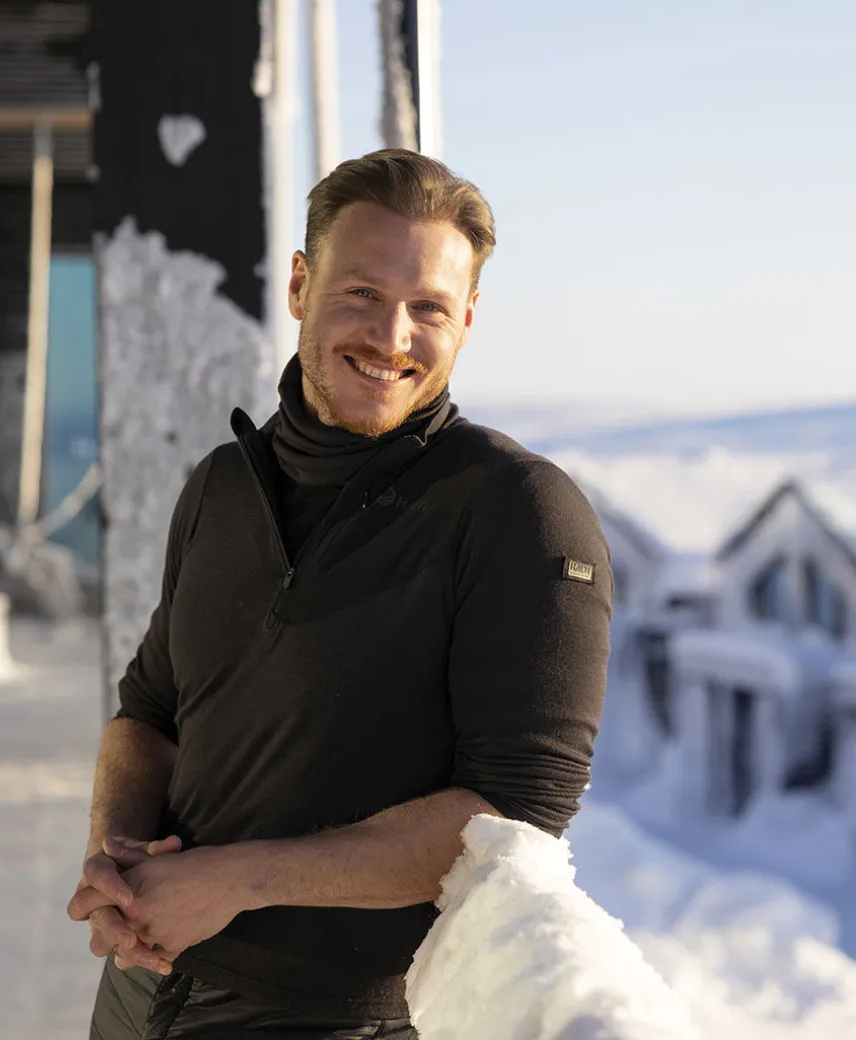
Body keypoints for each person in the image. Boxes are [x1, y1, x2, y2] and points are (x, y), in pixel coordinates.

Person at [68, 148, 612, 1039]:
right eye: (362, 293)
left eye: (429, 307)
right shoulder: (221, 486)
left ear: (468, 319)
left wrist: (238, 880)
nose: (392, 337)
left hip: (328, 1019)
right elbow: (153, 711)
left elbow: (518, 810)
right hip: (139, 988)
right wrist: (114, 856)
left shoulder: (518, 510)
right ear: (299, 286)